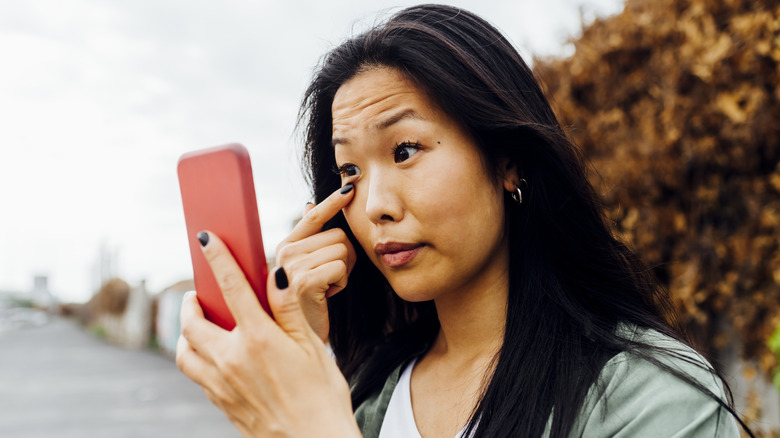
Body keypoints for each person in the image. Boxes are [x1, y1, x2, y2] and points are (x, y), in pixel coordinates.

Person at [176, 4, 751, 437]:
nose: (374, 205)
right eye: (349, 171)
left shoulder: (651, 398)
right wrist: (304, 366)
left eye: (405, 150)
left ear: (507, 162)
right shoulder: (369, 394)